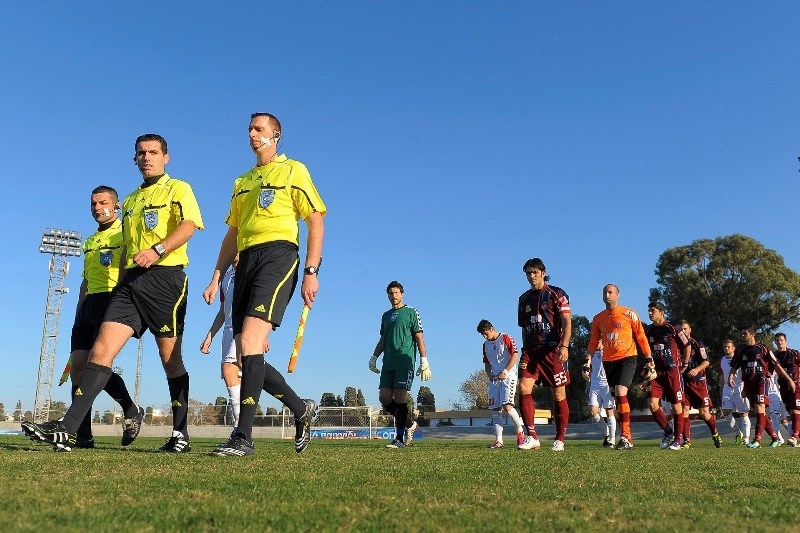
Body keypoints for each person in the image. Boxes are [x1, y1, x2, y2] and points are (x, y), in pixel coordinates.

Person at [24, 134, 204, 453]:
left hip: (165, 278)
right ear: (134, 159)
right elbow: (126, 253)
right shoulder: (133, 200)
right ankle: (69, 429)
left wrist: (158, 249)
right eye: (140, 153)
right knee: (99, 352)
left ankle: (180, 434)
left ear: (166, 157)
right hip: (129, 285)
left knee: (170, 360)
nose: (146, 157)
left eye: (152, 152)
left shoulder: (179, 188)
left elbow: (189, 226)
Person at [204, 112, 323, 457]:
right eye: (249, 129)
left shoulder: (293, 170)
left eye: (259, 129)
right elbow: (233, 232)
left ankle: (243, 438)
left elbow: (315, 221)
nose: (252, 134)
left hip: (278, 256)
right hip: (245, 261)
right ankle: (301, 409)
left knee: (254, 342)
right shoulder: (241, 181)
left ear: (276, 135)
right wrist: (216, 275)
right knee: (244, 356)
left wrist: (312, 271)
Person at [24, 186, 142, 450]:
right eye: (93, 204)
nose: (98, 208)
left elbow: (127, 270)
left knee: (96, 364)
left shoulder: (125, 232)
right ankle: (84, 435)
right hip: (88, 305)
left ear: (117, 205)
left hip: (113, 301)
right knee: (78, 366)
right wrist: (80, 308)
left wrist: (122, 302)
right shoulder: (89, 241)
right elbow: (86, 280)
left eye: (103, 203)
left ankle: (128, 409)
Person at [586, 284, 651, 451]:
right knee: (617, 399)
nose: (607, 295)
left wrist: (649, 358)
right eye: (605, 292)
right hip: (608, 361)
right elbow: (593, 342)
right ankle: (621, 436)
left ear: (618, 294)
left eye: (610, 292)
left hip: (628, 358)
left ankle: (626, 436)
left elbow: (641, 336)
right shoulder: (598, 318)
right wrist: (587, 361)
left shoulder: (629, 313)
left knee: (622, 392)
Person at [517, 258, 572, 452]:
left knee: (558, 392)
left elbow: (566, 322)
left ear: (542, 272)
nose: (531, 276)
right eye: (528, 273)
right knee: (523, 388)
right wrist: (525, 349)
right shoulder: (523, 299)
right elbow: (524, 328)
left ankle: (560, 438)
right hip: (531, 351)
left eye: (534, 272)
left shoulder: (557, 294)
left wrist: (564, 346)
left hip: (552, 351)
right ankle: (532, 436)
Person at [369, 281, 432, 449]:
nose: (394, 296)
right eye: (390, 293)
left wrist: (424, 360)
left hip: (404, 362)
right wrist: (374, 357)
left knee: (400, 397)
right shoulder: (385, 316)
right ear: (387, 295)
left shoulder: (411, 312)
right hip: (388, 362)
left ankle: (399, 439)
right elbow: (383, 339)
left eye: (396, 293)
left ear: (402, 294)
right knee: (384, 398)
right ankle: (410, 423)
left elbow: (419, 337)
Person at [728, 326, 791, 448]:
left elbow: (776, 365)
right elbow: (734, 366)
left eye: (745, 333)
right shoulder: (741, 350)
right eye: (742, 334)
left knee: (760, 408)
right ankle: (775, 438)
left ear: (752, 335)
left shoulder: (763, 348)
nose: (742, 336)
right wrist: (731, 376)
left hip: (761, 381)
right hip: (748, 383)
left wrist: (788, 379)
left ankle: (757, 439)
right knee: (759, 411)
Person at [200, 254, 241, 435]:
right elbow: (223, 311)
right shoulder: (226, 276)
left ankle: (239, 430)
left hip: (244, 329)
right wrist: (210, 336)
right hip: (227, 331)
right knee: (241, 378)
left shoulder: (249, 272)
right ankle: (298, 406)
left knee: (228, 371)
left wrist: (262, 335)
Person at [643, 302, 690, 451]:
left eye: (653, 311)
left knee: (677, 405)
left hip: (672, 371)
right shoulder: (648, 330)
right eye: (649, 311)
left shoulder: (672, 328)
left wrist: (685, 363)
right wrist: (645, 373)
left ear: (661, 312)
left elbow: (687, 344)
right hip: (656, 372)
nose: (650, 313)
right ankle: (668, 432)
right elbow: (646, 351)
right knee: (652, 403)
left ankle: (677, 440)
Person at [476, 319, 530, 449]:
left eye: (485, 333)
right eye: (482, 334)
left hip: (508, 377)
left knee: (507, 406)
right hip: (494, 380)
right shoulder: (485, 345)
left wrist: (505, 371)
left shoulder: (506, 338)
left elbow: (515, 356)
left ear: (491, 328)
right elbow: (487, 363)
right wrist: (489, 375)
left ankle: (520, 431)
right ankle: (499, 441)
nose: (484, 336)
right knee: (495, 409)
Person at [678, 320, 722, 449]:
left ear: (690, 329)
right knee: (683, 411)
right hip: (683, 382)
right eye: (681, 330)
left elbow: (706, 362)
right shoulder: (676, 344)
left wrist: (696, 369)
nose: (683, 332)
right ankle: (686, 441)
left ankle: (715, 433)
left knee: (703, 413)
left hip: (698, 382)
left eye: (685, 329)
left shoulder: (697, 343)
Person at [583, 340, 616, 447]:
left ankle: (612, 440)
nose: (596, 343)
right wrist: (588, 385)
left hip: (606, 386)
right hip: (594, 386)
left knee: (609, 412)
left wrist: (614, 385)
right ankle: (606, 433)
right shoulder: (590, 354)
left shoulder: (609, 352)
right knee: (593, 411)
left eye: (598, 341)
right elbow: (588, 371)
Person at [719, 339, 751, 445]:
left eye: (728, 346)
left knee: (744, 413)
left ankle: (746, 438)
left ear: (733, 348)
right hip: (727, 389)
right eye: (724, 347)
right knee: (726, 412)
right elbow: (722, 375)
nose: (726, 348)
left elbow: (746, 375)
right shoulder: (722, 360)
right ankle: (738, 432)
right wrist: (721, 389)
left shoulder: (740, 359)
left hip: (739, 387)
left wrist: (745, 389)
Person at [773, 333, 800, 446]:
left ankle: (794, 436)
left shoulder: (794, 354)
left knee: (795, 410)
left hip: (795, 385)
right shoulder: (774, 356)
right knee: (790, 412)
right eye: (777, 341)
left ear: (786, 341)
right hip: (782, 387)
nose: (779, 342)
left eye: (781, 340)